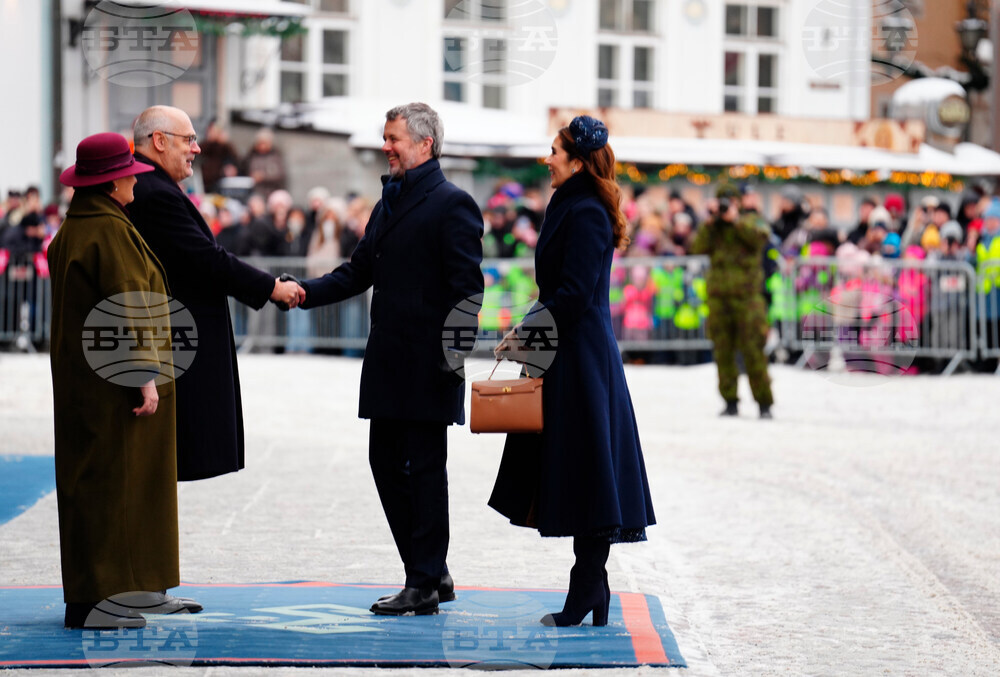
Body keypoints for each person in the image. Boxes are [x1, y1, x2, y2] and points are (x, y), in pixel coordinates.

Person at [296, 103, 484, 616]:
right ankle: (432, 568)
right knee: (385, 463)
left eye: (394, 138)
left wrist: (451, 359)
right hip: (388, 362)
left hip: (429, 365)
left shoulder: (453, 204)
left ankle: (422, 582)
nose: (387, 146)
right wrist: (301, 292)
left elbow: (469, 290)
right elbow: (356, 273)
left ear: (424, 144)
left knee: (425, 471)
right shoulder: (389, 202)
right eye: (385, 137)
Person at [489, 115, 656, 627]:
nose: (547, 158)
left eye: (555, 151)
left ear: (578, 160)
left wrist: (525, 331)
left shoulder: (585, 210)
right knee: (582, 469)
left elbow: (575, 295)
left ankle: (588, 585)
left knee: (588, 473)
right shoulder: (573, 202)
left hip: (581, 358)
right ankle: (592, 586)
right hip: (568, 353)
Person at [47, 132, 202, 628]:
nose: (137, 180)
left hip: (92, 384)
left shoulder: (86, 225)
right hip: (113, 389)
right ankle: (95, 601)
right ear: (114, 181)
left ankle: (134, 587)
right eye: (131, 173)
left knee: (129, 486)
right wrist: (144, 377)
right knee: (108, 487)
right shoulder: (106, 231)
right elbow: (126, 305)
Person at [129, 105, 304, 481]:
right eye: (189, 140)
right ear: (159, 141)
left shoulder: (151, 185)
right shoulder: (153, 190)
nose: (197, 149)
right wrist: (271, 287)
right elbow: (207, 258)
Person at [691, 183, 774, 418]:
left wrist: (735, 219)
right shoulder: (713, 227)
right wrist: (709, 223)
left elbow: (760, 240)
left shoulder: (752, 220)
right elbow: (697, 248)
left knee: (753, 351)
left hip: (748, 298)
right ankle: (729, 401)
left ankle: (764, 403)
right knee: (723, 351)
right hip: (719, 298)